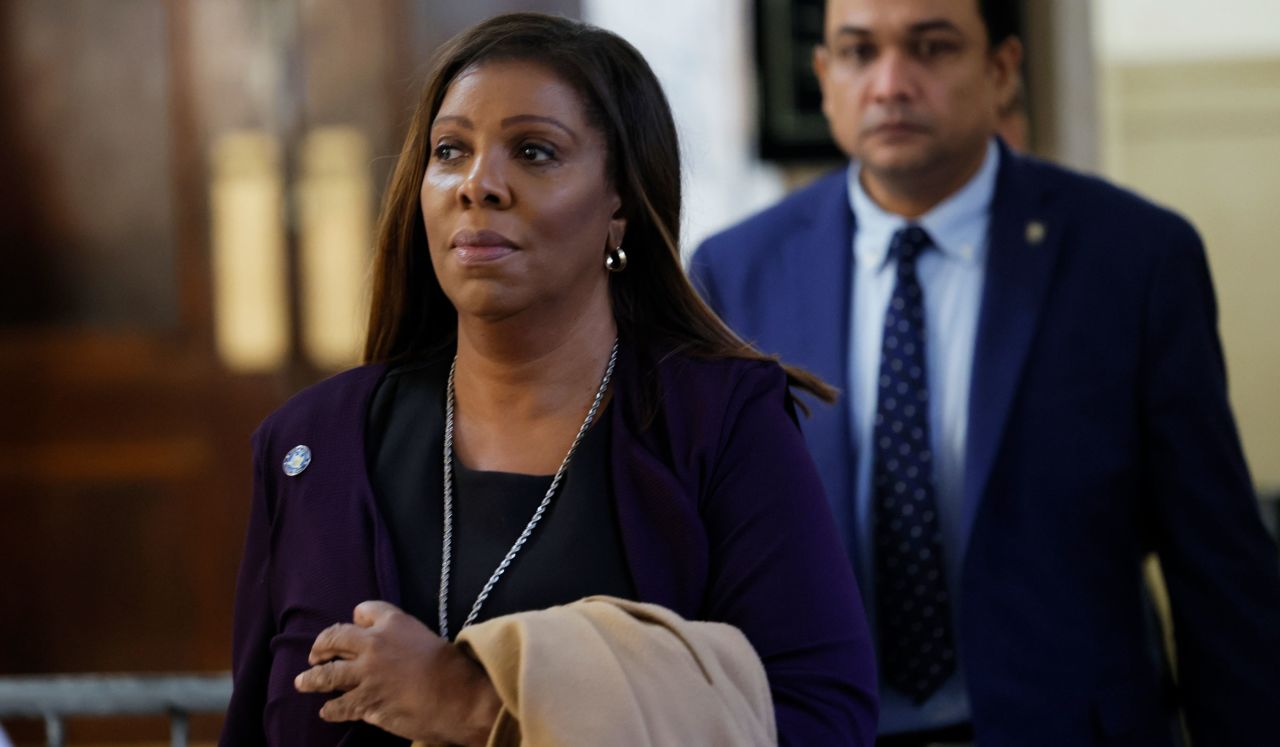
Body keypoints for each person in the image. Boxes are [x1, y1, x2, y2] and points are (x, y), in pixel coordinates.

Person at [220, 12, 878, 747]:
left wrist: (478, 707)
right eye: (450, 151)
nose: (480, 184)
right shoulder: (309, 444)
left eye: (534, 151)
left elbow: (823, 719)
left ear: (618, 205)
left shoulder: (719, 424)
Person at [690, 0, 1280, 744]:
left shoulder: (1132, 259)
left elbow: (1218, 568)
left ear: (1001, 71)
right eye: (858, 52)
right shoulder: (737, 272)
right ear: (824, 75)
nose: (891, 83)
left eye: (931, 48)